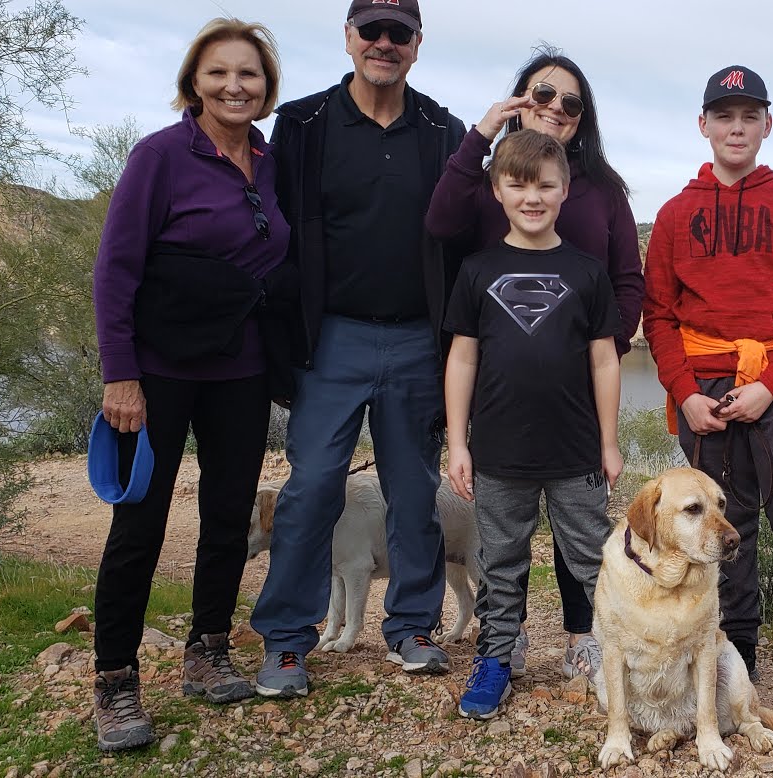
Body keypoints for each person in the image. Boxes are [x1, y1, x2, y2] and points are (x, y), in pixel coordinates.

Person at [249, 0, 468, 698]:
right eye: (370, 30)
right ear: (348, 38)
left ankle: (412, 629)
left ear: (417, 45)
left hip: (414, 338)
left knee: (414, 495)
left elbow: (462, 243)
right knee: (312, 489)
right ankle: (286, 641)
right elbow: (274, 234)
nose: (383, 43)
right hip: (330, 337)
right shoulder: (303, 125)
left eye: (397, 33)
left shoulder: (442, 130)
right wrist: (281, 348)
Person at [89, 17, 289, 751]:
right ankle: (114, 683)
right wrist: (121, 374)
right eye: (219, 73)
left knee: (228, 515)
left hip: (241, 372)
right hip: (157, 374)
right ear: (194, 83)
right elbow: (115, 270)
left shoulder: (270, 163)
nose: (235, 86)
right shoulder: (159, 156)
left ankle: (207, 653)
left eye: (249, 74)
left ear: (266, 87)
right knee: (137, 526)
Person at [640, 65, 773, 713]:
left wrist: (769, 384)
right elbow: (660, 315)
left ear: (767, 124)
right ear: (703, 126)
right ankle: (737, 652)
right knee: (724, 525)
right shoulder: (676, 215)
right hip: (702, 390)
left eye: (749, 116)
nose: (737, 128)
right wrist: (685, 392)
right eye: (724, 116)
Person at [425, 45, 642, 682]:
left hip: (576, 412)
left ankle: (592, 644)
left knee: (586, 543)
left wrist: (602, 343)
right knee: (502, 546)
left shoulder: (602, 190)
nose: (555, 109)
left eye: (570, 102)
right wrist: (486, 130)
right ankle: (501, 648)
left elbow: (624, 282)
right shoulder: (485, 198)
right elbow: (440, 224)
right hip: (502, 418)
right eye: (542, 95)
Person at [441, 129, 622, 720]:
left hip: (576, 452)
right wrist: (457, 441)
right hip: (498, 452)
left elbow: (603, 360)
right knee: (499, 560)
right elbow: (463, 357)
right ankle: (495, 657)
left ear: (565, 189)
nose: (532, 196)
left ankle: (612, 655)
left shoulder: (588, 272)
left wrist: (610, 442)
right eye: (518, 184)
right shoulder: (476, 270)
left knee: (593, 557)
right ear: (497, 190)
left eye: (545, 184)